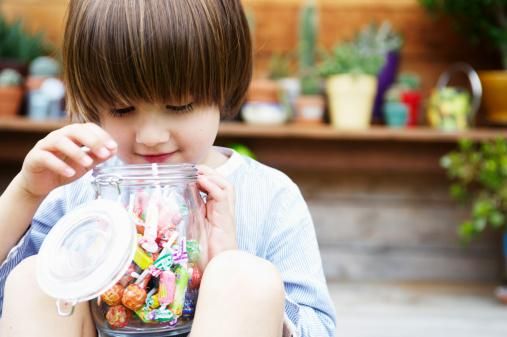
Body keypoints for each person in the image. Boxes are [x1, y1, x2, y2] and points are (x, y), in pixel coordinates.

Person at [0, 1, 336, 337]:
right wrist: (25, 194)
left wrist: (227, 269)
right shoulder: (77, 193)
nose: (150, 137)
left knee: (244, 276)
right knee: (34, 280)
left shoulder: (269, 196)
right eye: (122, 109)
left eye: (179, 106)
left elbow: (318, 329)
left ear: (223, 89)